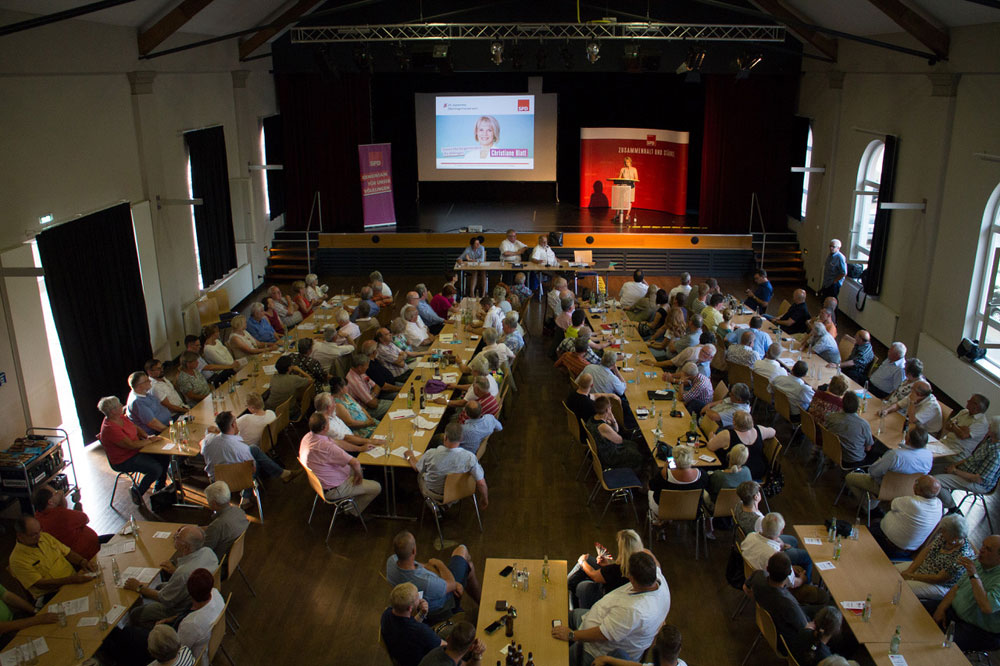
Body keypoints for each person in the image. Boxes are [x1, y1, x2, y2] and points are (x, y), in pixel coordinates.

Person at [552, 551, 670, 666]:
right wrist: (611, 563)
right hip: (593, 620)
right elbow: (647, 552)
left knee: (558, 659)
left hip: (595, 649)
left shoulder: (634, 611)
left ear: (632, 579)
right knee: (571, 616)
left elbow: (603, 634)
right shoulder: (658, 579)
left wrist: (572, 635)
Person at [125, 525, 218, 628]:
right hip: (197, 597)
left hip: (179, 608)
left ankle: (159, 628)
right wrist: (175, 571)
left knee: (135, 614)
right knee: (160, 586)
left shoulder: (183, 572)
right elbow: (191, 577)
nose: (174, 537)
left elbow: (164, 598)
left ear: (186, 547)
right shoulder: (209, 552)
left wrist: (138, 587)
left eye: (178, 537)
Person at [386, 531, 482, 620]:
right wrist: (439, 563)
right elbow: (452, 584)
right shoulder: (427, 582)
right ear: (414, 551)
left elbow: (421, 566)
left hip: (417, 601)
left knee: (468, 566)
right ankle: (481, 602)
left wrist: (432, 568)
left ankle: (481, 600)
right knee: (462, 550)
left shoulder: (392, 561)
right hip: (443, 606)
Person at [298, 413, 382, 515]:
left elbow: (338, 442)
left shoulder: (308, 437)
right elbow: (355, 463)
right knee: (376, 487)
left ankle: (355, 497)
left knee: (360, 467)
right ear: (325, 427)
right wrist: (358, 476)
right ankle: (351, 512)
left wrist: (360, 448)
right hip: (335, 489)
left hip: (321, 484)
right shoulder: (327, 447)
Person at [929, 534, 1000, 651]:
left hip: (979, 630)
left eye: (988, 549)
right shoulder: (978, 562)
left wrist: (973, 574)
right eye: (983, 546)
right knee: (916, 612)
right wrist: (941, 608)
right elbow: (956, 587)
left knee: (938, 646)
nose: (981, 550)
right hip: (954, 612)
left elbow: (986, 607)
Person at [97, 395, 169, 506]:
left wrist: (146, 436)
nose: (122, 406)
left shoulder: (120, 417)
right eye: (119, 405)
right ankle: (138, 492)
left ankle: (160, 487)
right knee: (155, 468)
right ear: (112, 411)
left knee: (164, 456)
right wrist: (151, 441)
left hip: (137, 450)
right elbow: (131, 445)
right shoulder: (110, 428)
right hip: (124, 459)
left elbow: (135, 427)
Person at [201, 411, 296, 490]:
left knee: (253, 449)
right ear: (233, 424)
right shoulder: (241, 447)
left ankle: (284, 474)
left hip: (217, 482)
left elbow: (203, 446)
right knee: (254, 455)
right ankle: (246, 497)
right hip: (238, 481)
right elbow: (253, 469)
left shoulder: (208, 441)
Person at [845, 425, 933, 510]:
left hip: (884, 487)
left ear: (907, 439)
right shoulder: (929, 456)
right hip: (908, 490)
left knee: (849, 478)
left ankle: (868, 505)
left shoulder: (895, 455)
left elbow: (873, 472)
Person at [10, 515, 98, 599]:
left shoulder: (45, 537)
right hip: (53, 593)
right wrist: (71, 580)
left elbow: (67, 553)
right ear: (20, 536)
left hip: (74, 579)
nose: (39, 536)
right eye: (34, 535)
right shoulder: (17, 560)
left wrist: (82, 561)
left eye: (40, 530)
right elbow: (41, 584)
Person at [404, 423, 489, 508]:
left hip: (435, 493)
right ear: (461, 439)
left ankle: (433, 505)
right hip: (459, 491)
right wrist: (484, 498)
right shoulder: (470, 457)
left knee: (419, 476)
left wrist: (410, 457)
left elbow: (417, 467)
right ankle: (448, 504)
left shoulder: (431, 454)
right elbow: (481, 483)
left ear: (445, 437)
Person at [895, 514, 975, 601]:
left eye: (944, 531)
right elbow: (925, 553)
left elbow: (939, 578)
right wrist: (910, 570)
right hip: (924, 568)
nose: (941, 532)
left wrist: (911, 576)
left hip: (937, 584)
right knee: (891, 572)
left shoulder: (962, 556)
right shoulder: (944, 538)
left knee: (902, 587)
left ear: (954, 537)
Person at [741, 514, 819, 598]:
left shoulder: (750, 536)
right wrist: (803, 579)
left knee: (793, 542)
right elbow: (792, 583)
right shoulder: (777, 558)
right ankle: (808, 584)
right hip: (771, 589)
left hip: (750, 575)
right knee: (806, 557)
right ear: (781, 531)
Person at [936, 415, 1000, 513]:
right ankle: (935, 497)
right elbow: (972, 458)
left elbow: (979, 479)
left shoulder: (996, 453)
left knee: (936, 481)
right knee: (932, 469)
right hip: (965, 470)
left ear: (995, 431)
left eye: (991, 425)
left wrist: (955, 471)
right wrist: (955, 465)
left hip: (976, 482)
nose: (989, 426)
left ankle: (952, 508)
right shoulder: (990, 441)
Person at [567, 529, 644, 610]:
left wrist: (582, 561)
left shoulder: (617, 569)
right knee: (589, 559)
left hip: (607, 595)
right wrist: (607, 565)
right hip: (617, 586)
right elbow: (612, 574)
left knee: (581, 585)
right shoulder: (640, 564)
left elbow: (594, 575)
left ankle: (568, 593)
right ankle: (567, 584)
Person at [871, 474, 943, 559]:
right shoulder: (939, 504)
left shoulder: (911, 502)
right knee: (877, 520)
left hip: (887, 544)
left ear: (918, 490)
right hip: (906, 552)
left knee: (870, 523)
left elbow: (891, 504)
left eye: (916, 482)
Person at [32, 485, 107, 560]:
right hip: (90, 554)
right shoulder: (61, 515)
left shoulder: (38, 516)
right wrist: (76, 508)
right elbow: (86, 519)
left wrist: (60, 497)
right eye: (55, 493)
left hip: (80, 551)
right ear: (50, 502)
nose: (59, 492)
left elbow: (63, 509)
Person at [380, 582, 444, 666]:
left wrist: (422, 613)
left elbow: (410, 625)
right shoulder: (422, 631)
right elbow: (444, 646)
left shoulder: (386, 614)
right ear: (410, 608)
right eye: (417, 597)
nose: (420, 597)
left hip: (400, 655)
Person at [707, 411, 773, 480]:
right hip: (759, 471)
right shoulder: (759, 430)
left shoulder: (727, 434)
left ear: (734, 423)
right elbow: (773, 432)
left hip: (737, 473)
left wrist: (711, 437)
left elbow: (711, 447)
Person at [649, 445, 706, 525]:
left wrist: (664, 469)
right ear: (690, 459)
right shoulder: (701, 475)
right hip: (691, 510)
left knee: (650, 492)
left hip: (664, 511)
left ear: (674, 460)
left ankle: (660, 526)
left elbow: (651, 486)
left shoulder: (665, 475)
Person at [587, 396, 645, 473]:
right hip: (609, 456)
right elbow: (619, 440)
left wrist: (612, 419)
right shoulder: (603, 426)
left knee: (634, 445)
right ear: (607, 409)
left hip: (601, 450)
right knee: (637, 455)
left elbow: (616, 430)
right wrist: (612, 419)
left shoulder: (592, 419)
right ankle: (633, 474)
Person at [176, 567, 224, 661]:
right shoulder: (216, 593)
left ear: (190, 593)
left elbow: (178, 650)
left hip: (196, 658)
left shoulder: (190, 624)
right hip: (211, 642)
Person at [313, 391, 380, 452]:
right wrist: (370, 441)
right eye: (333, 401)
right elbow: (347, 439)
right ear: (329, 407)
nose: (335, 403)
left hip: (354, 439)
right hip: (349, 449)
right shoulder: (326, 425)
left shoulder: (325, 412)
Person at [591, 624, 687, 666]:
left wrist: (606, 659)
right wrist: (607, 659)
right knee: (619, 654)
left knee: (617, 654)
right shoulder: (682, 664)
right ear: (679, 649)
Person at [824, 392, 875, 467]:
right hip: (853, 461)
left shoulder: (830, 417)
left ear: (842, 404)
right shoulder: (863, 425)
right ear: (858, 407)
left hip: (833, 452)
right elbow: (868, 448)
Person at [202, 480, 248, 560]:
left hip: (217, 561)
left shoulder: (217, 526)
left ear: (213, 503)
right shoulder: (239, 511)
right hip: (234, 556)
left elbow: (204, 550)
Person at [937, 394, 991, 459]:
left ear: (975, 406)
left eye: (970, 401)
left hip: (956, 453)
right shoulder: (964, 412)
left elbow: (962, 435)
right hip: (945, 442)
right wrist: (961, 428)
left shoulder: (982, 423)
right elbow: (948, 426)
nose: (967, 401)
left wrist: (954, 424)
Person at [416, 620, 485, 666]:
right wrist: (478, 656)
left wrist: (476, 656)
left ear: (448, 639)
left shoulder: (440, 650)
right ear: (470, 648)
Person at [346, 352, 393, 419]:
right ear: (360, 367)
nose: (368, 367)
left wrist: (373, 395)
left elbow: (377, 386)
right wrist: (373, 397)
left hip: (374, 401)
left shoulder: (360, 373)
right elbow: (373, 404)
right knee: (394, 406)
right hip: (367, 410)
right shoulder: (355, 382)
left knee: (395, 403)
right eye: (366, 365)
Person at [127, 371, 173, 435]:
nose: (150, 381)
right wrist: (171, 431)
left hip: (169, 422)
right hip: (159, 431)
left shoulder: (143, 392)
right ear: (139, 386)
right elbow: (153, 423)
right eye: (147, 381)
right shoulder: (137, 402)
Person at [618, 156, 639, 220]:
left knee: (630, 201)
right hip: (624, 186)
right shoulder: (622, 169)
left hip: (631, 186)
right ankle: (620, 213)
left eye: (628, 162)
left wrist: (632, 179)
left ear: (630, 162)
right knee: (622, 200)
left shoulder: (634, 169)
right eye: (626, 162)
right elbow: (619, 178)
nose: (627, 163)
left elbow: (637, 178)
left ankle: (627, 214)